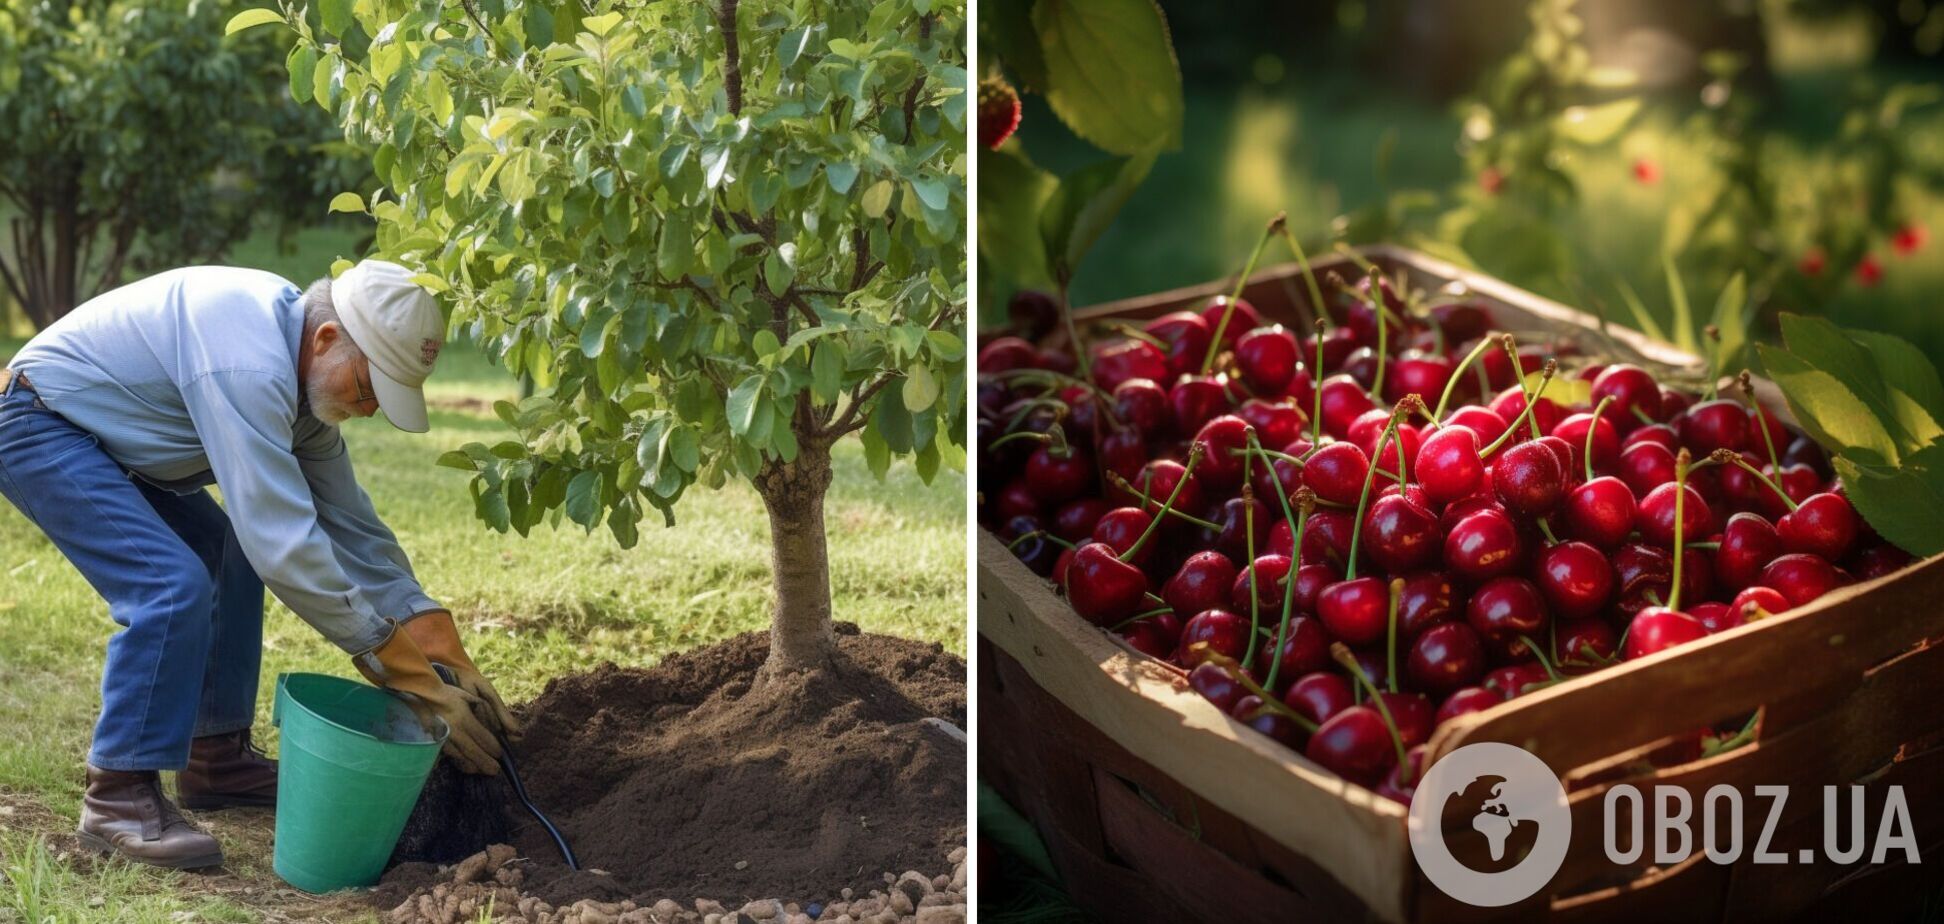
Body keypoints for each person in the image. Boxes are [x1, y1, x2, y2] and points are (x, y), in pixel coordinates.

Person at [0, 260, 515, 869]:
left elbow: (353, 526)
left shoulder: (301, 386)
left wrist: (436, 638)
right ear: (327, 340)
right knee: (171, 584)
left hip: (113, 440)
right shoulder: (247, 361)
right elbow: (283, 544)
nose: (372, 409)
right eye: (371, 386)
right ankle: (117, 796)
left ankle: (215, 759)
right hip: (38, 422)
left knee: (227, 555)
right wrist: (405, 673)